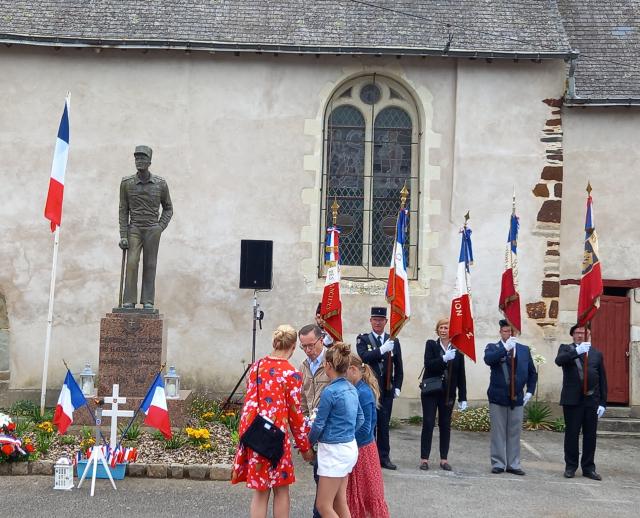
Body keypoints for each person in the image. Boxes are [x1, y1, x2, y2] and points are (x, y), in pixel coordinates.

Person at [232, 325, 314, 518]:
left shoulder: (256, 366)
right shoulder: (292, 374)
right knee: (281, 490)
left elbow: (250, 401)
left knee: (260, 492)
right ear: (293, 347)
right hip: (277, 440)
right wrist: (305, 448)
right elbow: (295, 415)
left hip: (255, 437)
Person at [309, 342, 364, 518]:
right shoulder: (352, 388)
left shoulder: (330, 391)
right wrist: (346, 432)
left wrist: (308, 441)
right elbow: (360, 419)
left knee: (323, 505)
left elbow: (319, 424)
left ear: (328, 365)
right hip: (349, 447)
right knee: (339, 501)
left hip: (333, 451)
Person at [119, 145, 173, 309]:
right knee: (132, 263)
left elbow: (168, 208)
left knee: (150, 265)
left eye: (142, 158)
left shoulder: (160, 184)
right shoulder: (126, 183)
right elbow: (123, 210)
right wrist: (123, 234)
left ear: (149, 161)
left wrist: (160, 227)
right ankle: (129, 300)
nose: (139, 161)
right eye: (137, 158)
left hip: (152, 229)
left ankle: (148, 300)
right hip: (134, 228)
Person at [484, 319, 537, 476]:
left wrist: (530, 391)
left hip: (517, 397)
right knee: (498, 432)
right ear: (500, 332)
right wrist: (505, 349)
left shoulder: (523, 349)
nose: (508, 334)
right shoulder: (493, 347)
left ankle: (513, 464)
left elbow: (532, 373)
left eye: (511, 331)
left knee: (514, 432)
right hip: (498, 396)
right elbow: (488, 360)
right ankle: (499, 463)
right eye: (506, 331)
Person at [555, 324, 608, 480]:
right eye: (577, 333)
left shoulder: (596, 354)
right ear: (572, 335)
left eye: (584, 333)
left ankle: (588, 468)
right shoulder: (566, 349)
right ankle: (571, 466)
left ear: (589, 335)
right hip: (572, 401)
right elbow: (559, 361)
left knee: (590, 436)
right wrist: (576, 351)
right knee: (571, 434)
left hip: (592, 401)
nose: (580, 335)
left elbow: (602, 380)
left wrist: (603, 403)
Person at [356, 307, 403, 470]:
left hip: (387, 388)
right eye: (375, 319)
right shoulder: (363, 339)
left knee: (384, 425)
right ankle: (370, 458)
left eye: (381, 320)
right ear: (370, 321)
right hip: (369, 388)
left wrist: (398, 386)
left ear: (386, 322)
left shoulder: (393, 341)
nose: (377, 322)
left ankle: (384, 457)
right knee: (369, 424)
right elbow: (364, 357)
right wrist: (382, 350)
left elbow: (399, 367)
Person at [419, 317, 467, 471]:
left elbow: (461, 375)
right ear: (437, 330)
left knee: (445, 425)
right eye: (441, 328)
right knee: (428, 423)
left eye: (446, 328)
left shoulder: (457, 349)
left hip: (448, 393)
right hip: (431, 392)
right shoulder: (431, 345)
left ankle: (444, 459)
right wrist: (444, 359)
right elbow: (429, 364)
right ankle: (424, 459)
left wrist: (463, 397)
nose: (444, 331)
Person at [345, 354, 390, 518]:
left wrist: (346, 442)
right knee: (357, 495)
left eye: (344, 372)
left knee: (365, 494)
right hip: (360, 447)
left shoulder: (362, 392)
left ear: (354, 370)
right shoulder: (357, 388)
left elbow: (365, 427)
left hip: (362, 450)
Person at [298, 323, 331, 518]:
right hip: (313, 430)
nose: (309, 350)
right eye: (304, 346)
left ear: (321, 340)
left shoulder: (332, 361)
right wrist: (303, 421)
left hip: (330, 431)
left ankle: (318, 513)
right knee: (318, 475)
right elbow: (302, 398)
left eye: (312, 345)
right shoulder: (303, 366)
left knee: (326, 479)